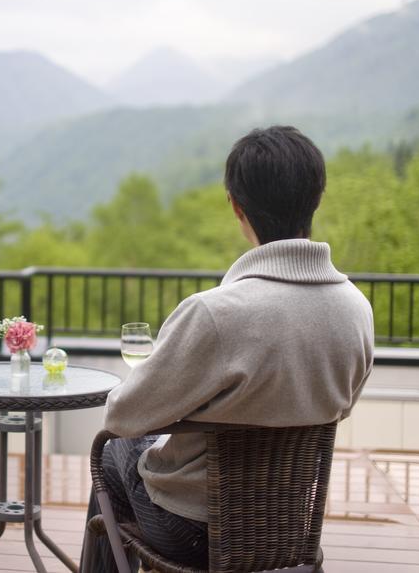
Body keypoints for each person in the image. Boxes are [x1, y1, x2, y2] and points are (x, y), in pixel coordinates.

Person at [83, 126, 374, 571]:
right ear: (317, 196)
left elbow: (122, 416)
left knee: (112, 450)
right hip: (291, 527)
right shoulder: (356, 309)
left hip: (194, 532)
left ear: (236, 206)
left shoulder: (216, 313)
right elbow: (338, 406)